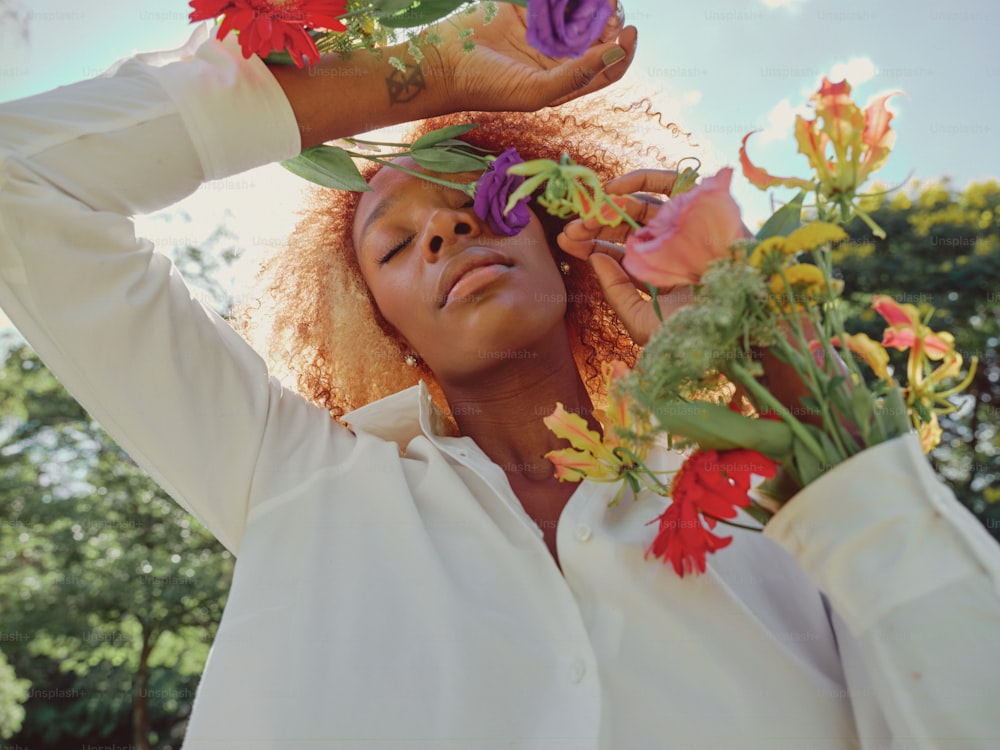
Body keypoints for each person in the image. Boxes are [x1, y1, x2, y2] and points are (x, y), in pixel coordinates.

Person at [1, 5, 998, 750]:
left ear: (569, 247)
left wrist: (781, 379)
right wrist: (415, 75)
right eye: (395, 244)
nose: (443, 227)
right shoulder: (294, 483)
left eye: (480, 201)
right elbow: (21, 179)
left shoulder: (778, 520)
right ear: (372, 320)